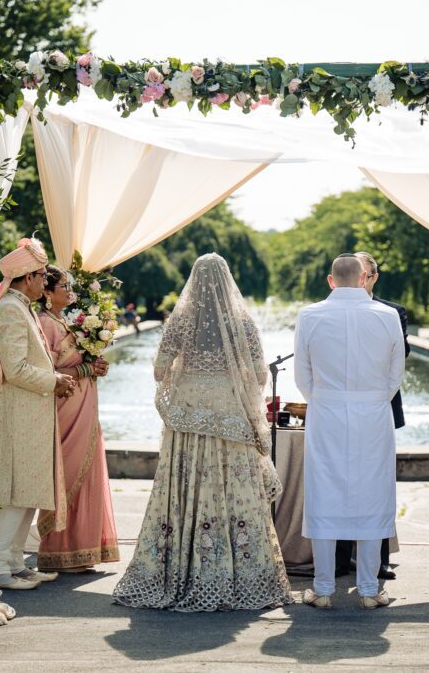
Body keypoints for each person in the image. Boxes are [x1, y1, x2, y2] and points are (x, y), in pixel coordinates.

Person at [112, 253, 291, 611]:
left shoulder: (181, 322)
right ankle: (240, 576)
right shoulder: (243, 323)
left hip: (187, 418)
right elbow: (258, 377)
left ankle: (177, 571)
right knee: (233, 492)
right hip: (230, 419)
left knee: (184, 490)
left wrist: (188, 373)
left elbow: (161, 371)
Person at [294, 254, 405, 610]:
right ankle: (370, 589)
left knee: (324, 491)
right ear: (363, 279)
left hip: (326, 411)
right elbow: (395, 374)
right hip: (373, 412)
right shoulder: (388, 316)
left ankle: (323, 588)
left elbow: (302, 375)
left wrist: (324, 399)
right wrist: (371, 400)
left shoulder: (309, 315)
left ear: (331, 280)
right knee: (372, 491)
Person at [0, 238, 77, 590]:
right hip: (16, 415)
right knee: (15, 492)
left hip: (30, 414)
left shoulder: (20, 306)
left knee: (28, 490)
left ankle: (15, 563)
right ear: (26, 277)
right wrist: (54, 381)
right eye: (40, 275)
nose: (44, 281)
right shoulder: (10, 308)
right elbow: (15, 368)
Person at [36, 266, 120, 573]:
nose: (70, 291)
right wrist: (85, 370)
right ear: (47, 292)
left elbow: (77, 361)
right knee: (68, 468)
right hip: (65, 405)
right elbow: (47, 371)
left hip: (84, 403)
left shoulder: (68, 320)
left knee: (89, 469)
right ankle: (59, 549)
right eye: (64, 286)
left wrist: (94, 363)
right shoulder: (45, 323)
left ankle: (85, 549)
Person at [331, 251, 409, 580]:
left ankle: (379, 560)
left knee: (376, 484)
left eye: (366, 272)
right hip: (339, 411)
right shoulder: (328, 311)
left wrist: (377, 399)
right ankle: (340, 558)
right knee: (339, 480)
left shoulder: (393, 312)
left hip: (379, 406)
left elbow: (398, 362)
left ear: (372, 277)